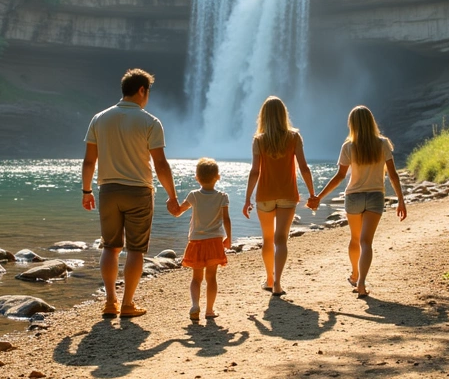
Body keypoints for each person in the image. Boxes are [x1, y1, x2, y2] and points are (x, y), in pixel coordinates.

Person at [81, 69, 180, 318]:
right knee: (135, 249)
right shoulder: (150, 122)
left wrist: (86, 190)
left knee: (110, 247)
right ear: (142, 90)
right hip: (139, 191)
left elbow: (89, 161)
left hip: (108, 190)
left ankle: (110, 301)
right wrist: (172, 195)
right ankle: (127, 304)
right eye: (148, 93)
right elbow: (160, 164)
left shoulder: (99, 119)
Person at [309, 105, 407, 297]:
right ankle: (361, 282)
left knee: (355, 239)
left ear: (352, 124)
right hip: (375, 197)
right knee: (366, 242)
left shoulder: (348, 146)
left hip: (353, 197)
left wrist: (319, 197)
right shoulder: (383, 144)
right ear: (371, 122)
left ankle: (354, 273)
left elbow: (339, 177)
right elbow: (393, 176)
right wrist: (401, 200)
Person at [242, 96, 315, 296]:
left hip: (264, 196)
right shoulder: (294, 137)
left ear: (263, 116)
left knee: (267, 240)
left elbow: (254, 171)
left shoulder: (259, 140)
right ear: (284, 115)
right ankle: (278, 285)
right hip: (287, 196)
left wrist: (248, 198)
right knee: (281, 239)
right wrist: (312, 193)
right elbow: (304, 167)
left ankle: (269, 279)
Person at [170, 157, 232, 321]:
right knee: (211, 278)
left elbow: (179, 211)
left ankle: (195, 305)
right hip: (214, 242)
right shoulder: (222, 197)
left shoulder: (194, 196)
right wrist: (229, 238)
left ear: (197, 177)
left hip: (196, 242)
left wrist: (172, 206)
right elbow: (226, 219)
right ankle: (209, 310)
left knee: (196, 278)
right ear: (217, 177)